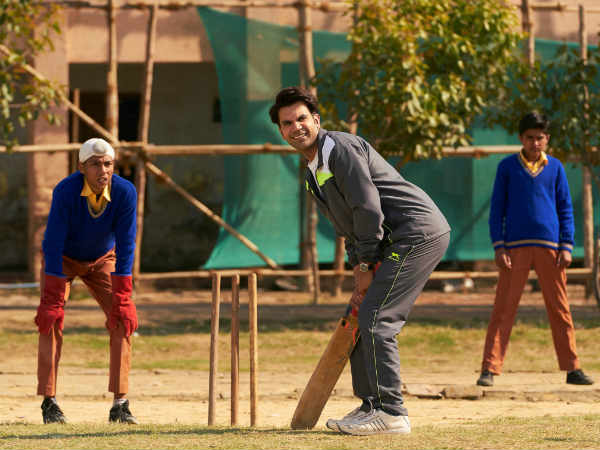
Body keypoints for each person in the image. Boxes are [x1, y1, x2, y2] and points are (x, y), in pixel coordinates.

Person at [269, 86, 451, 435]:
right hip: (392, 240)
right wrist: (359, 267)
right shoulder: (313, 172)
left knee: (378, 318)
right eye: (287, 123)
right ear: (280, 130)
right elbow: (347, 225)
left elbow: (367, 209)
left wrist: (366, 264)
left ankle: (391, 413)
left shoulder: (339, 148)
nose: (296, 127)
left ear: (316, 120)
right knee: (362, 314)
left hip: (416, 233)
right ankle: (371, 405)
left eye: (302, 119)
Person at [476, 111, 594, 387]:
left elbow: (565, 208)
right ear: (521, 138)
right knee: (503, 308)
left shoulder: (556, 167)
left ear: (547, 138)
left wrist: (567, 245)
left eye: (540, 138)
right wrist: (499, 246)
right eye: (530, 138)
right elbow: (497, 210)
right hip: (513, 248)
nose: (535, 143)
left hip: (551, 248)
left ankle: (572, 368)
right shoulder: (507, 167)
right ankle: (489, 368)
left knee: (560, 308)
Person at [35, 137, 140, 424]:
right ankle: (49, 402)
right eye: (95, 164)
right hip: (63, 259)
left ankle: (120, 404)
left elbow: (127, 243)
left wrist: (123, 295)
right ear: (81, 167)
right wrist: (52, 297)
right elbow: (53, 242)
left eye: (108, 164)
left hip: (103, 258)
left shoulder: (125, 192)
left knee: (123, 317)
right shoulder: (66, 190)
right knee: (50, 319)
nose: (103, 170)